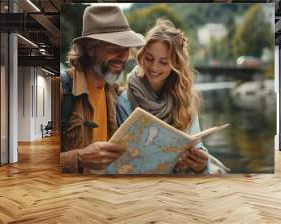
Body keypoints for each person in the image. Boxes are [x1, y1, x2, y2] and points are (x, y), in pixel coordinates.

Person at [117, 20, 229, 174]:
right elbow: (121, 158)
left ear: (176, 65)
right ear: (142, 55)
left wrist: (201, 164)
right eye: (149, 58)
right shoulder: (124, 100)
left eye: (163, 62)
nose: (154, 67)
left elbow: (197, 146)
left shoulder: (185, 99)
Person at [60, 5, 145, 173]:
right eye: (114, 47)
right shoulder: (61, 88)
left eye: (126, 48)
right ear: (91, 49)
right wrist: (79, 158)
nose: (123, 56)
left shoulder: (115, 94)